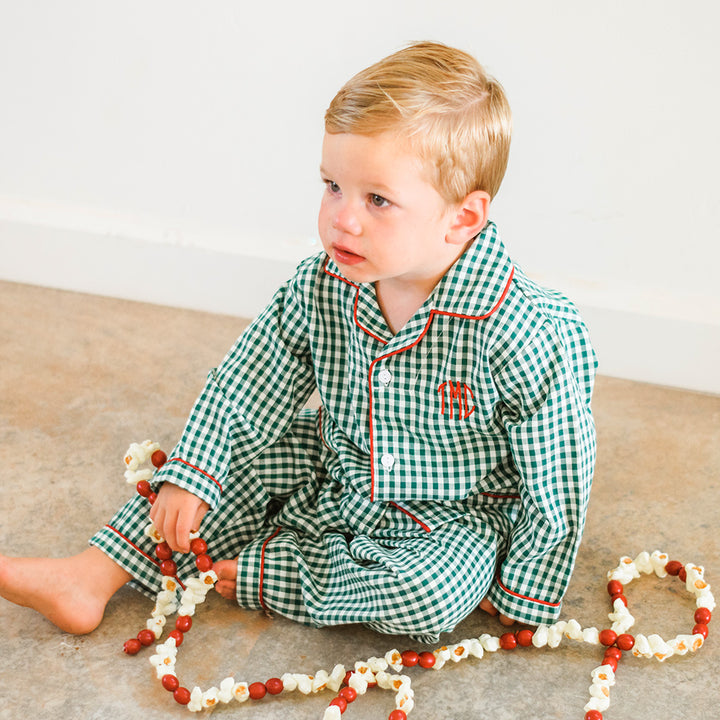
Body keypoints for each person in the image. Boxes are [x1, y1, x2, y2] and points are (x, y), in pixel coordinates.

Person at [0, 41, 597, 644]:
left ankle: (282, 571)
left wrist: (530, 585)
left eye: (378, 199)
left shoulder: (529, 331)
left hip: (449, 517)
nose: (343, 217)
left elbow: (558, 476)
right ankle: (89, 576)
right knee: (209, 474)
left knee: (428, 597)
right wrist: (196, 471)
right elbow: (250, 380)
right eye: (333, 186)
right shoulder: (324, 282)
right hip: (334, 467)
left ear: (461, 218)